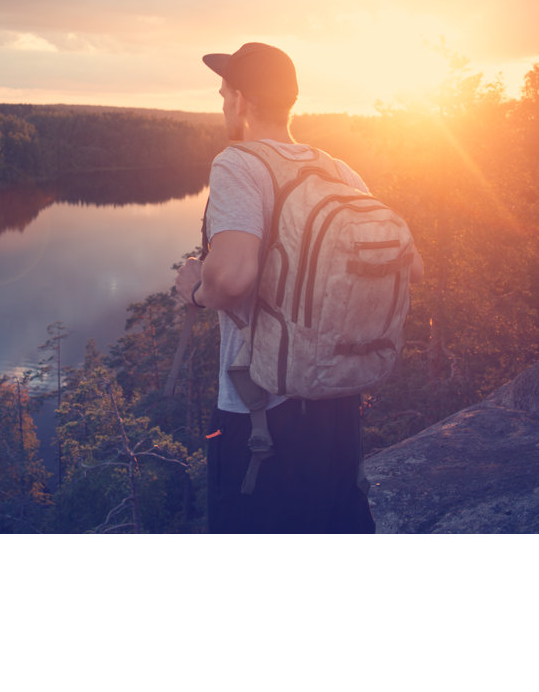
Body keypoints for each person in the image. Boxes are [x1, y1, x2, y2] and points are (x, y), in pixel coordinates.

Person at [175, 42, 423, 534]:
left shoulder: (239, 164)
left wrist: (195, 291)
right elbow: (411, 269)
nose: (223, 104)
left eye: (225, 94)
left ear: (243, 100)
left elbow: (232, 277)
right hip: (337, 404)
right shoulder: (337, 169)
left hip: (258, 414)